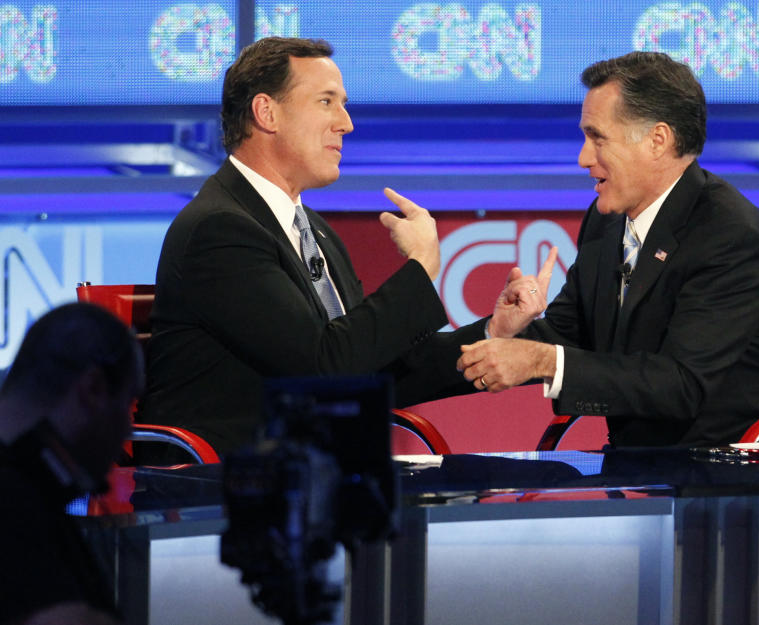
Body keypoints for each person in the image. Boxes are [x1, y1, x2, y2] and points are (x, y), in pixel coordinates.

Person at [140, 37, 549, 455]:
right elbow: (325, 369)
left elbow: (372, 368)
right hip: (223, 490)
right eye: (326, 102)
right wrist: (420, 266)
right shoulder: (220, 231)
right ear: (267, 112)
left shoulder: (312, 229)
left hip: (316, 478)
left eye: (344, 103)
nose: (346, 123)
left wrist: (491, 333)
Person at [458, 51, 759, 447]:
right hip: (651, 463)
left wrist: (541, 360)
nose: (582, 158)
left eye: (597, 137)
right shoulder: (607, 221)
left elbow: (681, 384)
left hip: (745, 469)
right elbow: (567, 335)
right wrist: (510, 333)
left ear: (657, 140)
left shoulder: (727, 233)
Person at [0, 303, 143, 625]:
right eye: (128, 403)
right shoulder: (16, 503)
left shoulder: (31, 488)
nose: (128, 428)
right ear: (93, 389)